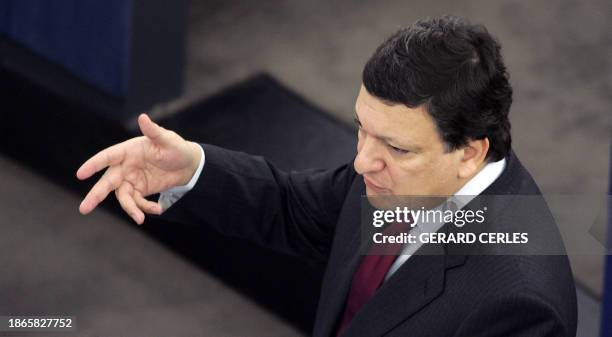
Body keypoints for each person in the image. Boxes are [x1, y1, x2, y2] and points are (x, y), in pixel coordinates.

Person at [77, 16, 577, 337]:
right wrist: (192, 169)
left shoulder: (520, 305)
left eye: (396, 148)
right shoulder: (398, 179)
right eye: (363, 130)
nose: (362, 163)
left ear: (470, 152)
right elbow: (295, 209)